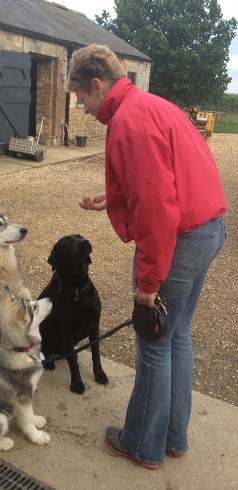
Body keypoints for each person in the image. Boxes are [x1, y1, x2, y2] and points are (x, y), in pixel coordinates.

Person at [66, 44, 227, 469]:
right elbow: (162, 179)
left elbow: (157, 209)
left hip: (180, 239)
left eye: (81, 98)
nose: (82, 108)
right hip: (208, 229)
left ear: (97, 85)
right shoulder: (152, 105)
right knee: (177, 336)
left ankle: (142, 443)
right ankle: (173, 437)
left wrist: (148, 284)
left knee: (153, 341)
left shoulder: (129, 123)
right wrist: (116, 197)